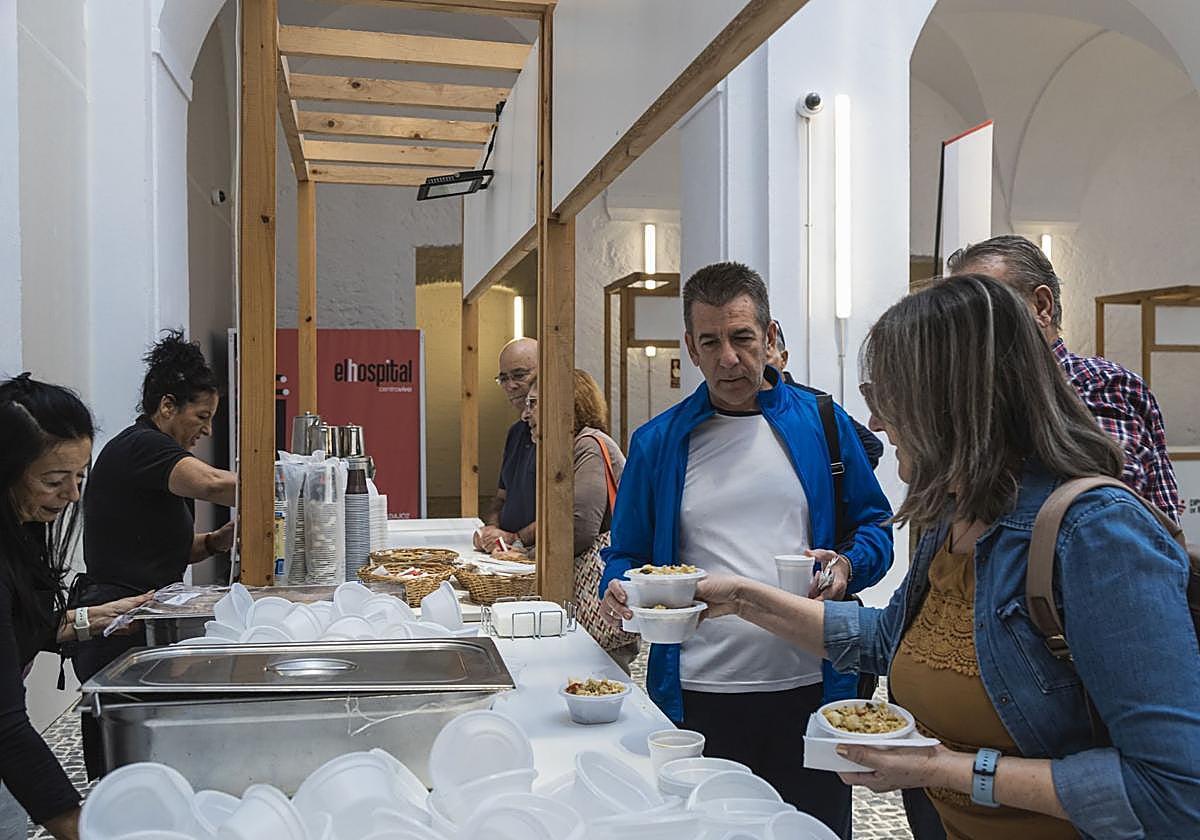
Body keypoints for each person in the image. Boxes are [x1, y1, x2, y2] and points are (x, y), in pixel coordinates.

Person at [695, 274, 1200, 839]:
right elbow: (889, 639)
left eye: (887, 399)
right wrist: (738, 597)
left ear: (952, 400)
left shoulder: (1096, 534)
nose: (879, 424)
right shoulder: (952, 517)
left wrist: (948, 770)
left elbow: (1174, 790)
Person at [599, 262, 894, 837]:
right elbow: (627, 552)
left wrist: (847, 564)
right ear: (691, 346)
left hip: (810, 688)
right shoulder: (658, 442)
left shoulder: (824, 425)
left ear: (770, 336)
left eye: (741, 338)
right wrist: (620, 583)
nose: (728, 358)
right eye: (710, 342)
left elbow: (876, 528)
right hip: (698, 693)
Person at [75, 330, 237, 776]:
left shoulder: (153, 452)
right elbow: (211, 484)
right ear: (167, 406)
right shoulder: (142, 446)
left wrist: (211, 543)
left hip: (139, 615)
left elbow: (154, 546)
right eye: (201, 416)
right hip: (117, 624)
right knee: (128, 763)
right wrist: (287, 484)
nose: (206, 430)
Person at [0, 375, 152, 840]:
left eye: (80, 476)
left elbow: (21, 624)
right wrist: (79, 825)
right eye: (53, 480)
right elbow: (4, 726)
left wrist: (95, 618)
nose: (72, 495)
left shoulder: (18, 528)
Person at [949, 235, 1182, 522]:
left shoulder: (1100, 386)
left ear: (1041, 306)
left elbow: (1109, 521)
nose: (968, 330)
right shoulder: (974, 397)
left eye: (984, 308)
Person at [522, 372, 638, 671]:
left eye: (533, 404)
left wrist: (528, 557)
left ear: (563, 404)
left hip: (599, 595)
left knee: (601, 683)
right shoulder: (573, 448)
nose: (526, 414)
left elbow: (580, 528)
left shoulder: (589, 445)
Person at [767, 319, 884, 469]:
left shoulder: (815, 403)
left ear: (783, 359)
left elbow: (870, 446)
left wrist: (832, 484)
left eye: (766, 355)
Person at [474, 338, 538, 553]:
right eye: (503, 378)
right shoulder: (516, 432)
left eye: (519, 375)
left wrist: (515, 538)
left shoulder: (571, 440)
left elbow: (572, 519)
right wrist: (491, 530)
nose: (510, 385)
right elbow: (501, 498)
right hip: (511, 556)